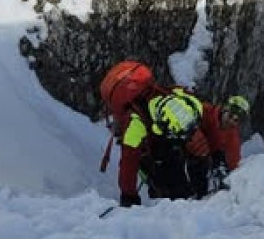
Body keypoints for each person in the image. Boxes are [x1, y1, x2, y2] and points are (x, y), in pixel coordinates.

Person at [98, 61, 228, 207]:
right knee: (191, 161)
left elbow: (128, 162)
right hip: (185, 160)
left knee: (170, 170)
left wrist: (128, 196)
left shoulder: (137, 122)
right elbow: (211, 118)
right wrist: (219, 158)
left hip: (164, 164)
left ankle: (181, 200)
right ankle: (196, 196)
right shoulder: (185, 100)